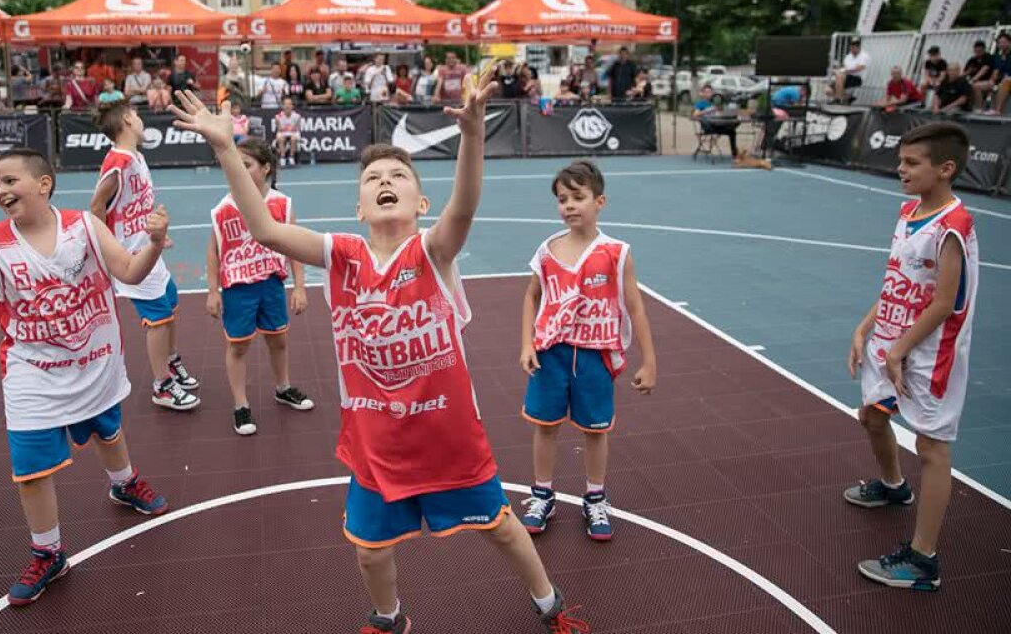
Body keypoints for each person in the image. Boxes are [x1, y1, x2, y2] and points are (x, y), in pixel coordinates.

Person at [168, 69, 590, 634]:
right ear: (360, 207)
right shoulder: (341, 255)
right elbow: (266, 230)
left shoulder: (432, 251)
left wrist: (469, 137)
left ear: (421, 201)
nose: (384, 180)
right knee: (369, 549)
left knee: (501, 528)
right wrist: (225, 147)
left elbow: (462, 210)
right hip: (376, 440)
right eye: (372, 178)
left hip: (447, 436)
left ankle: (549, 605)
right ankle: (389, 618)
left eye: (397, 174)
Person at [0, 148, 170, 606]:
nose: (1, 191)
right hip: (31, 373)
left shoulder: (85, 226)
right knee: (30, 472)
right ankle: (48, 551)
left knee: (107, 429)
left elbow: (128, 270)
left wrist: (156, 243)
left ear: (44, 185)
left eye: (9, 181)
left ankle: (123, 482)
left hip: (94, 358)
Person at [846, 122, 979, 593]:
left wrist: (901, 349)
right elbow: (899, 281)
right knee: (872, 418)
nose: (900, 170)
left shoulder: (953, 226)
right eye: (900, 161)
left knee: (932, 447)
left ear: (945, 169)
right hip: (891, 342)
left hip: (929, 354)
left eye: (911, 163)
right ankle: (893, 485)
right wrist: (866, 326)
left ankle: (924, 561)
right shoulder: (908, 212)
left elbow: (942, 301)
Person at [519, 160, 658, 540]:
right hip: (551, 354)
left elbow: (635, 306)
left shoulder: (616, 252)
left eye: (578, 197)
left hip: (595, 355)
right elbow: (531, 297)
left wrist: (649, 360)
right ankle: (541, 494)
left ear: (600, 201)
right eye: (562, 199)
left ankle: (595, 497)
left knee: (595, 431)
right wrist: (527, 343)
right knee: (545, 427)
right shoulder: (546, 250)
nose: (569, 205)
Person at [90, 102, 200, 411]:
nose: (140, 119)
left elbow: (134, 205)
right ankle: (162, 385)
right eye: (136, 114)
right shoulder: (118, 162)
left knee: (171, 302)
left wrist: (155, 234)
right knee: (158, 319)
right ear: (127, 119)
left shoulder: (135, 157)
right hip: (131, 256)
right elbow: (97, 206)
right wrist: (111, 249)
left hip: (148, 248)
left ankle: (171, 360)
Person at [203, 137, 314, 436]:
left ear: (266, 168)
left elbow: (294, 245)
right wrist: (213, 291)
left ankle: (283, 387)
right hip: (238, 288)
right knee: (238, 345)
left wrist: (300, 286)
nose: (239, 169)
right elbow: (213, 251)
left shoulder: (281, 203)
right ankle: (241, 405)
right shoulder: (222, 208)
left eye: (247, 164)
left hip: (271, 285)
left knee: (278, 340)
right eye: (236, 164)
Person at [692, 83, 739, 160]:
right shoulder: (700, 104)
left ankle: (735, 154)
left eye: (710, 92)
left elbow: (719, 113)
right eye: (706, 92)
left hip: (718, 123)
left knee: (732, 130)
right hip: (708, 126)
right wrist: (707, 110)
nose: (708, 94)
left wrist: (722, 112)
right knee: (731, 126)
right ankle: (727, 126)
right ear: (703, 93)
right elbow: (695, 114)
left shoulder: (714, 102)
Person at [963, 40, 995, 109]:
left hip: (988, 81)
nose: (977, 53)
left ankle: (979, 108)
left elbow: (984, 69)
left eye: (979, 51)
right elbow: (965, 73)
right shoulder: (972, 60)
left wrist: (974, 79)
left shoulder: (988, 57)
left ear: (984, 49)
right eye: (976, 51)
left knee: (975, 86)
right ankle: (966, 107)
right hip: (973, 81)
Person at [274, 97, 302, 166]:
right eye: (286, 104)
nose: (287, 106)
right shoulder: (278, 116)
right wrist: (288, 128)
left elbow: (296, 128)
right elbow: (280, 128)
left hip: (294, 133)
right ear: (283, 106)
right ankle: (283, 157)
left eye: (289, 104)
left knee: (294, 138)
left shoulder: (297, 116)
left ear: (292, 106)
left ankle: (291, 157)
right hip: (282, 133)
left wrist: (288, 128)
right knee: (281, 138)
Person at [989, 31, 1011, 116]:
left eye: (1004, 42)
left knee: (1005, 82)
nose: (1002, 44)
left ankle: (997, 110)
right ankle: (980, 109)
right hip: (1003, 80)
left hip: (1007, 80)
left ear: (1009, 42)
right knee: (983, 84)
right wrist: (991, 80)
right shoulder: (998, 57)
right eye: (1000, 43)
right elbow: (996, 71)